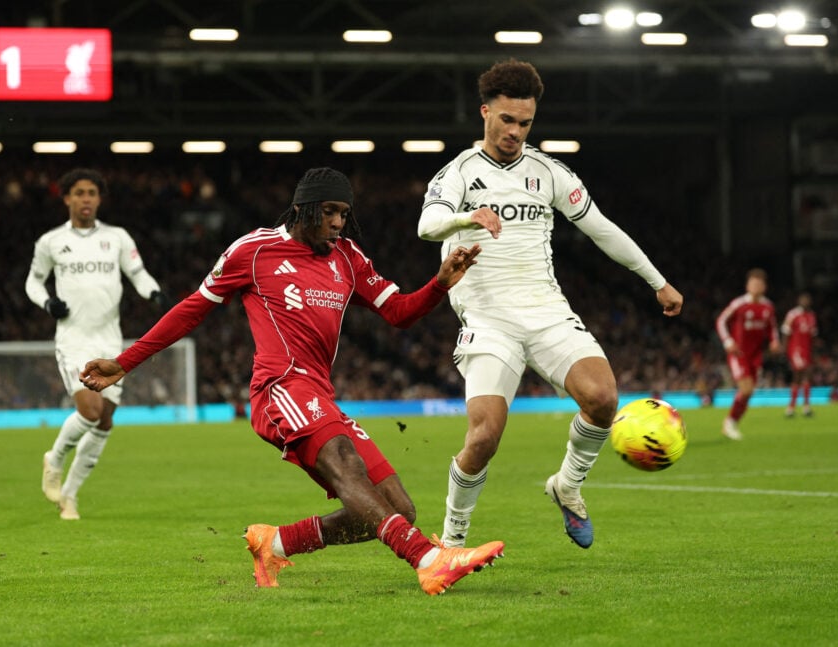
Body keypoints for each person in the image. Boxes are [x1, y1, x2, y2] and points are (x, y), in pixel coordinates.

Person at [80, 167, 505, 595]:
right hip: (278, 388)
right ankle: (428, 560)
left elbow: (400, 312)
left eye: (344, 213)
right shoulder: (254, 250)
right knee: (346, 465)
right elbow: (192, 308)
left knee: (398, 507)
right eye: (330, 212)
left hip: (319, 394)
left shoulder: (348, 257)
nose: (338, 223)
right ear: (303, 210)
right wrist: (125, 362)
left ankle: (275, 541)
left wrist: (439, 284)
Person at [417, 58, 684, 550]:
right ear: (485, 112)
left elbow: (602, 227)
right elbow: (427, 224)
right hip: (488, 318)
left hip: (546, 311)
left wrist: (656, 281)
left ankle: (567, 485)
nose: (515, 132)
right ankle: (452, 544)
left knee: (603, 399)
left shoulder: (549, 172)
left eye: (525, 123)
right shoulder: (458, 172)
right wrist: (466, 218)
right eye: (507, 120)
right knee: (483, 439)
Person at [26, 168, 171, 520]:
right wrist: (47, 302)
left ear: (99, 198)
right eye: (79, 193)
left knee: (104, 421)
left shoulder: (118, 237)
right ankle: (55, 458)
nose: (86, 199)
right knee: (89, 411)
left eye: (92, 192)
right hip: (74, 338)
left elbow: (137, 272)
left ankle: (70, 497)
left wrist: (153, 292)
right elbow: (33, 281)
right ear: (67, 198)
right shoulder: (50, 242)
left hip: (110, 340)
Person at [715, 268, 780, 440]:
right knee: (746, 388)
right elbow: (721, 321)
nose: (756, 286)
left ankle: (731, 422)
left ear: (764, 286)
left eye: (759, 283)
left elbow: (772, 327)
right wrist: (728, 341)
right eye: (753, 283)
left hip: (756, 355)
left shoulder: (768, 306)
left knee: (749, 392)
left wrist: (774, 341)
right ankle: (729, 423)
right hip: (739, 354)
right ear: (747, 285)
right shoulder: (739, 304)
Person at [781, 292, 817, 418]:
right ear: (799, 301)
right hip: (796, 349)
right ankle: (792, 407)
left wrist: (813, 350)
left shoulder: (811, 316)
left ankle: (804, 407)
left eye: (807, 300)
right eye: (803, 300)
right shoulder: (793, 314)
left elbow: (812, 335)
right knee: (799, 375)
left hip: (807, 350)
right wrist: (785, 349)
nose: (805, 302)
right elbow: (786, 331)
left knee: (805, 376)